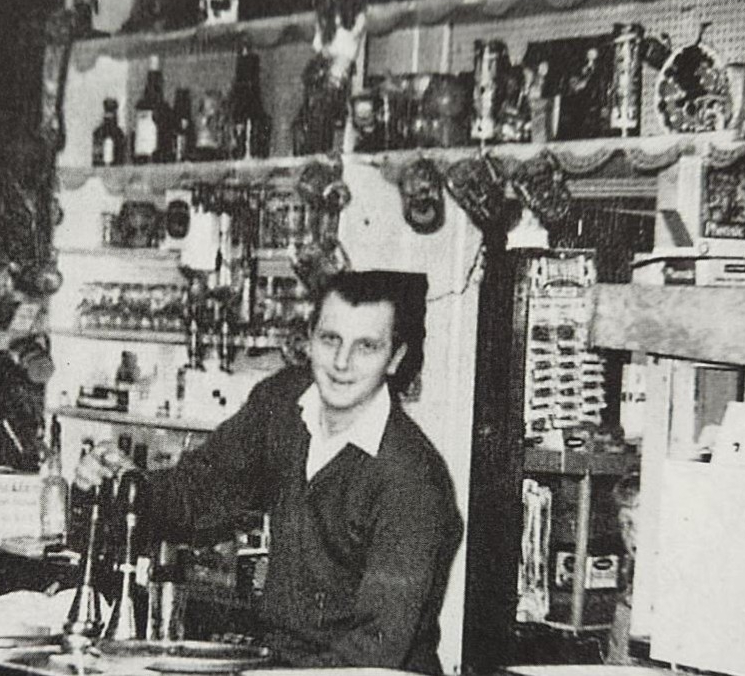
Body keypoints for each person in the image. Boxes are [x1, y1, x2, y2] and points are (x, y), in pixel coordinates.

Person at [76, 270, 463, 675]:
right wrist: (129, 482)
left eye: (366, 346)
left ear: (395, 358)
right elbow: (201, 493)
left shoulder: (412, 479)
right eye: (330, 339)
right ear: (309, 340)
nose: (342, 362)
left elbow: (375, 648)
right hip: (282, 663)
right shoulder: (282, 404)